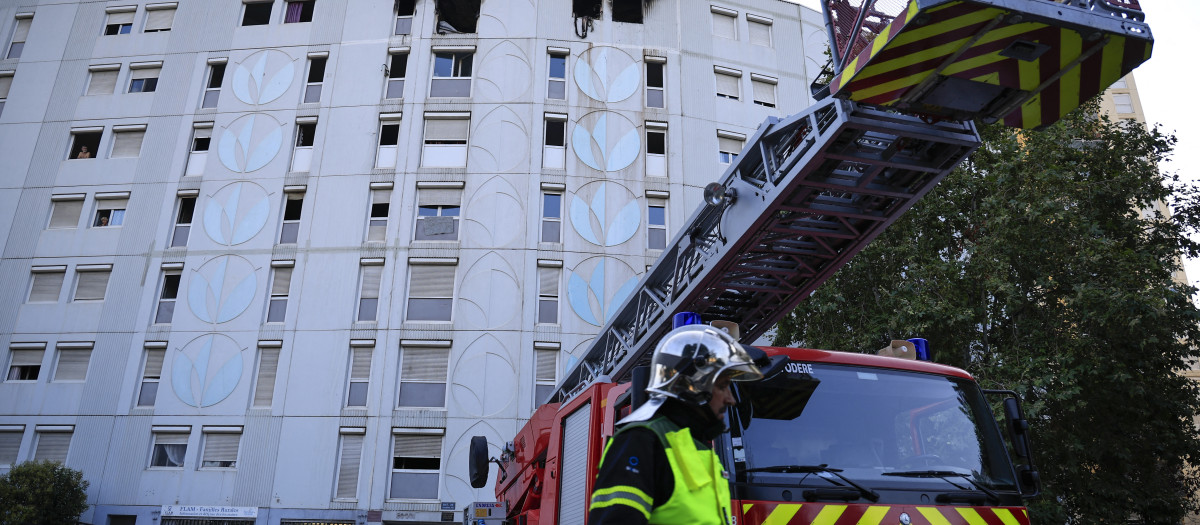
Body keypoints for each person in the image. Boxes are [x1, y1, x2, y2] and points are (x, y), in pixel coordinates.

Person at [588, 324, 763, 525]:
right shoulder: (640, 441)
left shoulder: (700, 449)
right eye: (723, 386)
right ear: (694, 386)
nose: (731, 399)